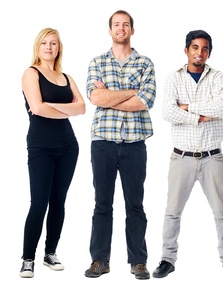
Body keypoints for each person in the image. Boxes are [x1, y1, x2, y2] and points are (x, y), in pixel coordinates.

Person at [151, 29, 223, 279]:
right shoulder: (173, 79)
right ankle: (167, 259)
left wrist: (187, 108)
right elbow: (168, 113)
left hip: (213, 156)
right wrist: (200, 116)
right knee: (172, 212)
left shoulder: (218, 77)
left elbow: (220, 107)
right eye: (195, 48)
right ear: (186, 50)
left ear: (209, 52)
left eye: (204, 49)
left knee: (222, 211)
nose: (200, 53)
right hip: (182, 157)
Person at [83, 10, 156, 280]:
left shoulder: (145, 63)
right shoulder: (97, 62)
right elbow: (96, 98)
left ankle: (138, 261)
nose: (121, 28)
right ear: (110, 30)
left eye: (126, 25)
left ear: (132, 31)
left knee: (135, 204)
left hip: (135, 144)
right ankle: (99, 260)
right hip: (103, 142)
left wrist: (111, 95)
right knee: (102, 204)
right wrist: (132, 91)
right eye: (116, 24)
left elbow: (144, 101)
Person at [20, 27, 86, 278]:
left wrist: (50, 106)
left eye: (54, 43)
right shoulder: (31, 73)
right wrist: (64, 108)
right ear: (38, 46)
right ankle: (27, 259)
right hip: (41, 147)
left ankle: (50, 253)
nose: (49, 47)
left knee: (58, 201)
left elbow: (81, 108)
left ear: (59, 48)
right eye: (45, 43)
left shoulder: (66, 77)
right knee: (38, 203)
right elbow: (36, 108)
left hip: (68, 147)